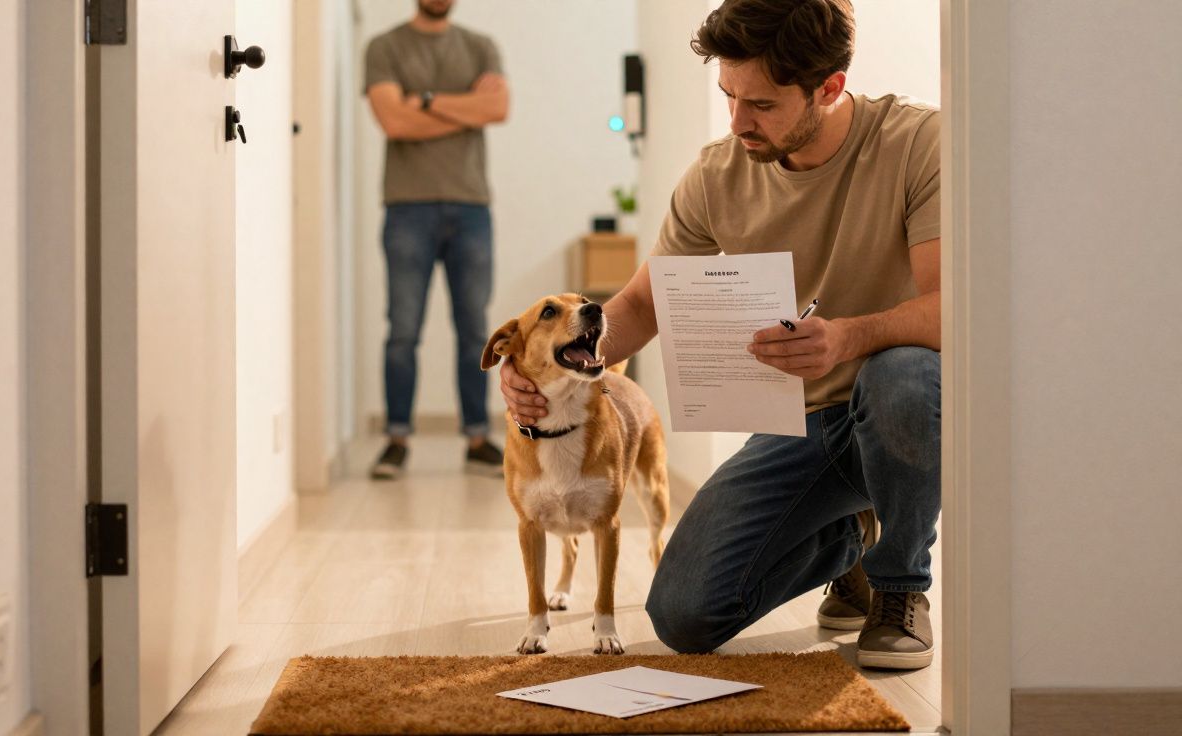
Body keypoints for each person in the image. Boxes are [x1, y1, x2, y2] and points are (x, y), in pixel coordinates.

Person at [499, 0, 941, 670]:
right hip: (801, 424)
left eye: (760, 104)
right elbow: (645, 306)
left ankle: (898, 589)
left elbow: (956, 308)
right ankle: (849, 535)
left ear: (829, 87)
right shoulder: (716, 176)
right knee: (682, 615)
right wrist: (547, 365)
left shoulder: (916, 142)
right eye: (728, 96)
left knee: (902, 374)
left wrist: (850, 337)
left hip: (898, 409)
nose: (738, 122)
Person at [363, 0, 510, 480]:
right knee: (402, 332)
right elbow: (394, 122)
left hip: (471, 207)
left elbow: (497, 107)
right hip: (407, 207)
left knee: (474, 333)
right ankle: (397, 439)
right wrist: (464, 109)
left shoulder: (480, 46)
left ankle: (476, 438)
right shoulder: (384, 47)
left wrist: (423, 100)